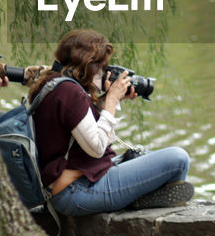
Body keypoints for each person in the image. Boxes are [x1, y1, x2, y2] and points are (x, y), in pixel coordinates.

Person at [22, 28, 192, 215]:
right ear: (89, 64)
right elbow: (97, 147)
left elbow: (81, 126)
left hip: (72, 183)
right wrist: (111, 100)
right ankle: (141, 200)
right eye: (101, 67)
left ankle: (140, 198)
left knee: (147, 155)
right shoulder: (70, 93)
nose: (103, 73)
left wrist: (113, 100)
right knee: (178, 159)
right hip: (76, 191)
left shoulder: (54, 82)